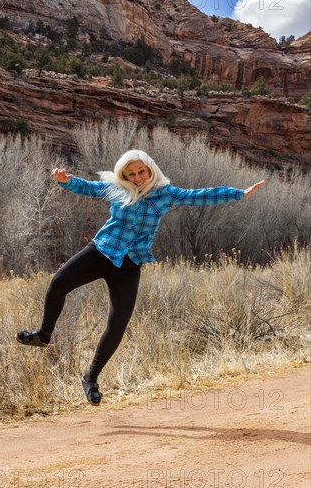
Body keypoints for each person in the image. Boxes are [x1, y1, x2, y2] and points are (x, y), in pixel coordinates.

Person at [16, 149, 265, 405]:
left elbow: (199, 197)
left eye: (141, 172)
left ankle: (91, 377)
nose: (136, 178)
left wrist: (239, 193)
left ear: (151, 170)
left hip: (130, 264)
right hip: (101, 251)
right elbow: (88, 187)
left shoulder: (165, 195)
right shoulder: (116, 189)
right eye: (131, 174)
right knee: (59, 282)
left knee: (118, 323)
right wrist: (65, 181)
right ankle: (43, 336)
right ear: (124, 175)